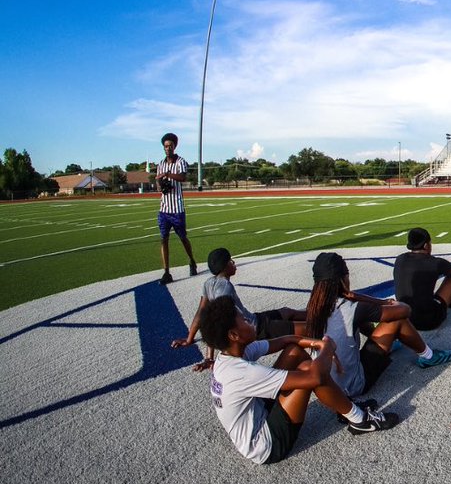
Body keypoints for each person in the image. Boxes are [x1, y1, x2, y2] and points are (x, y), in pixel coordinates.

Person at [200, 295, 398, 465]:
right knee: (309, 370)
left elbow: (287, 341)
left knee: (294, 353)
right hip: (266, 445)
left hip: (259, 411)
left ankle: (344, 407)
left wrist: (317, 343)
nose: (249, 320)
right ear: (234, 335)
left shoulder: (231, 355)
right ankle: (360, 420)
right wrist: (328, 346)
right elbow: (315, 376)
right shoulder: (241, 372)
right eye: (243, 319)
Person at [307, 252, 451, 404]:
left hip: (328, 386)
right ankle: (428, 356)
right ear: (343, 279)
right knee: (396, 320)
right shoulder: (351, 308)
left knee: (358, 323)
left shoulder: (313, 309)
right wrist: (376, 300)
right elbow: (404, 310)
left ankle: (391, 344)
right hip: (353, 386)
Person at [170, 247, 307, 371]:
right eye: (230, 261)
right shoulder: (224, 287)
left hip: (255, 318)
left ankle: (317, 313)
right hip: (256, 328)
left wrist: (189, 339)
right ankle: (323, 320)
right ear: (224, 266)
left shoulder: (209, 283)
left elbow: (201, 312)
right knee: (305, 328)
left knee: (287, 311)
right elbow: (217, 322)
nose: (234, 263)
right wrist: (209, 357)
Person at [392, 227, 451, 330]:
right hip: (429, 320)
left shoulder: (400, 259)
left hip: (405, 317)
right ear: (425, 245)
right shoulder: (435, 262)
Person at [155, 132, 198, 285]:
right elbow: (158, 186)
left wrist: (168, 174)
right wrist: (160, 183)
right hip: (164, 208)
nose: (168, 148)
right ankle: (166, 272)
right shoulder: (160, 164)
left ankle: (192, 260)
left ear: (175, 146)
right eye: (165, 146)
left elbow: (183, 177)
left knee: (183, 237)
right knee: (163, 239)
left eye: (170, 146)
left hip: (177, 208)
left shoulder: (180, 162)